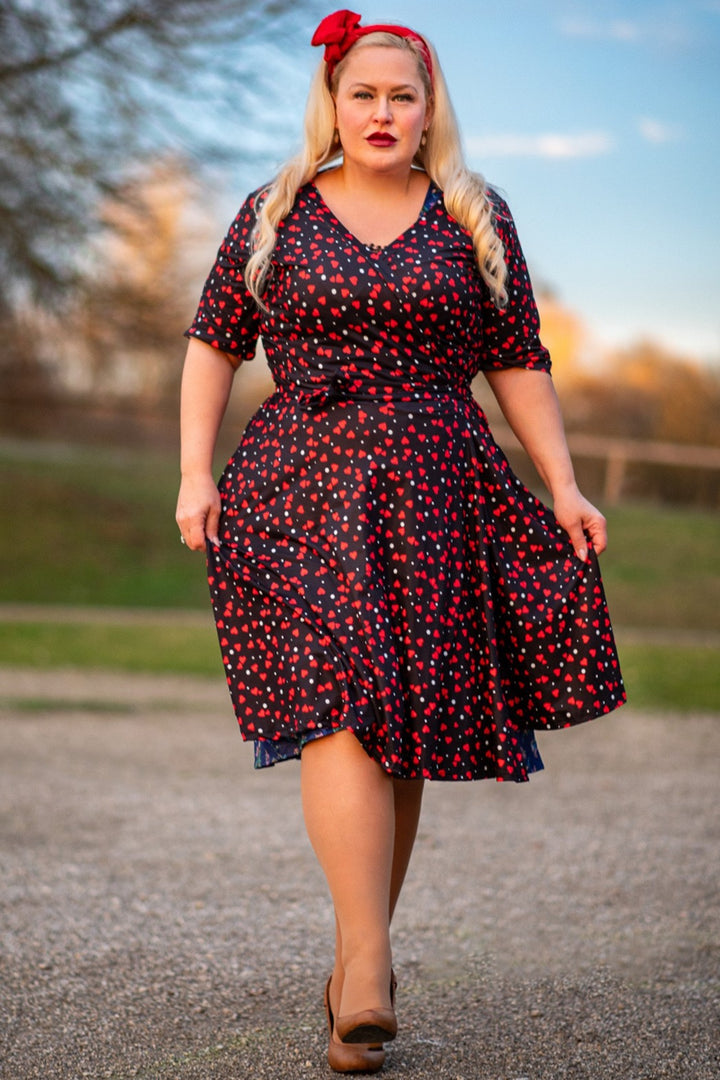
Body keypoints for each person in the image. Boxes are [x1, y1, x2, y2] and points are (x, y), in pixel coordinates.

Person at [176, 8, 625, 1073]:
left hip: (435, 489)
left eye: (403, 95)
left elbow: (519, 358)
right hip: (299, 488)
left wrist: (561, 482)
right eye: (363, 92)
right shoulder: (275, 209)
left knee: (404, 722)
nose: (383, 112)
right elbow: (212, 342)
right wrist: (195, 470)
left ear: (430, 113)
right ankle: (372, 967)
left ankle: (353, 963)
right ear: (332, 103)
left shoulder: (473, 214)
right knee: (340, 700)